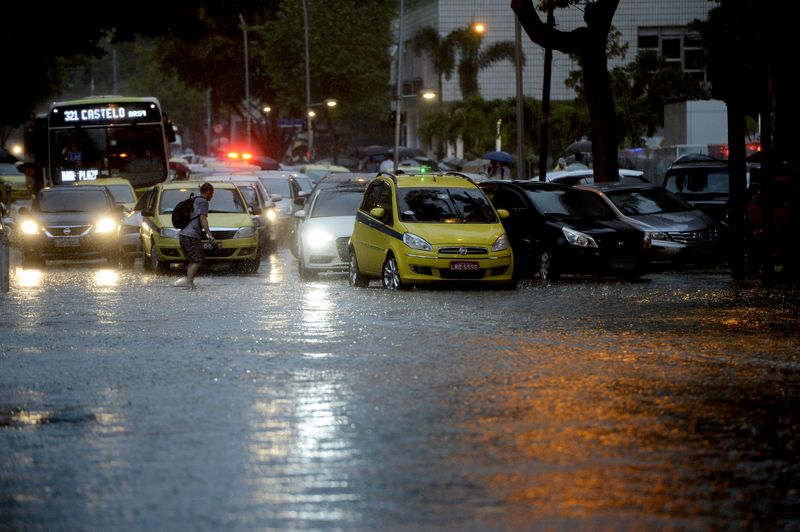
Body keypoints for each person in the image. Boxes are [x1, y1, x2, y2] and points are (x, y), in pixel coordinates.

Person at [176, 182, 217, 289]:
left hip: (183, 234)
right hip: (191, 235)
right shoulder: (203, 202)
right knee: (198, 260)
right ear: (208, 192)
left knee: (193, 260)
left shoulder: (195, 200)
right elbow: (203, 218)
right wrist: (209, 235)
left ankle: (189, 283)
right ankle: (189, 283)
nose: (212, 196)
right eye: (212, 193)